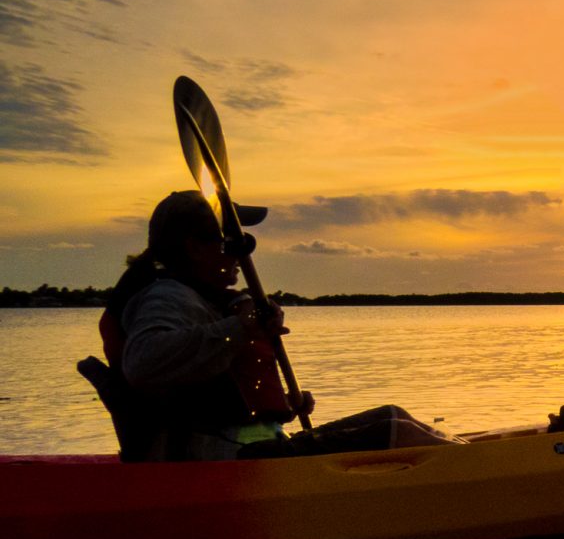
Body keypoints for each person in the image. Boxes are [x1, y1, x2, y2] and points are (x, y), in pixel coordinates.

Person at [95, 190, 460, 461]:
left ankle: (470, 460)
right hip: (218, 463)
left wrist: (281, 406)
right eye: (229, 242)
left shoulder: (204, 298)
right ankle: (479, 476)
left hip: (247, 447)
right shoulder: (169, 297)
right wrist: (240, 329)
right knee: (399, 430)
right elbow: (142, 363)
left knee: (393, 415)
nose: (242, 253)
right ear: (194, 247)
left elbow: (216, 392)